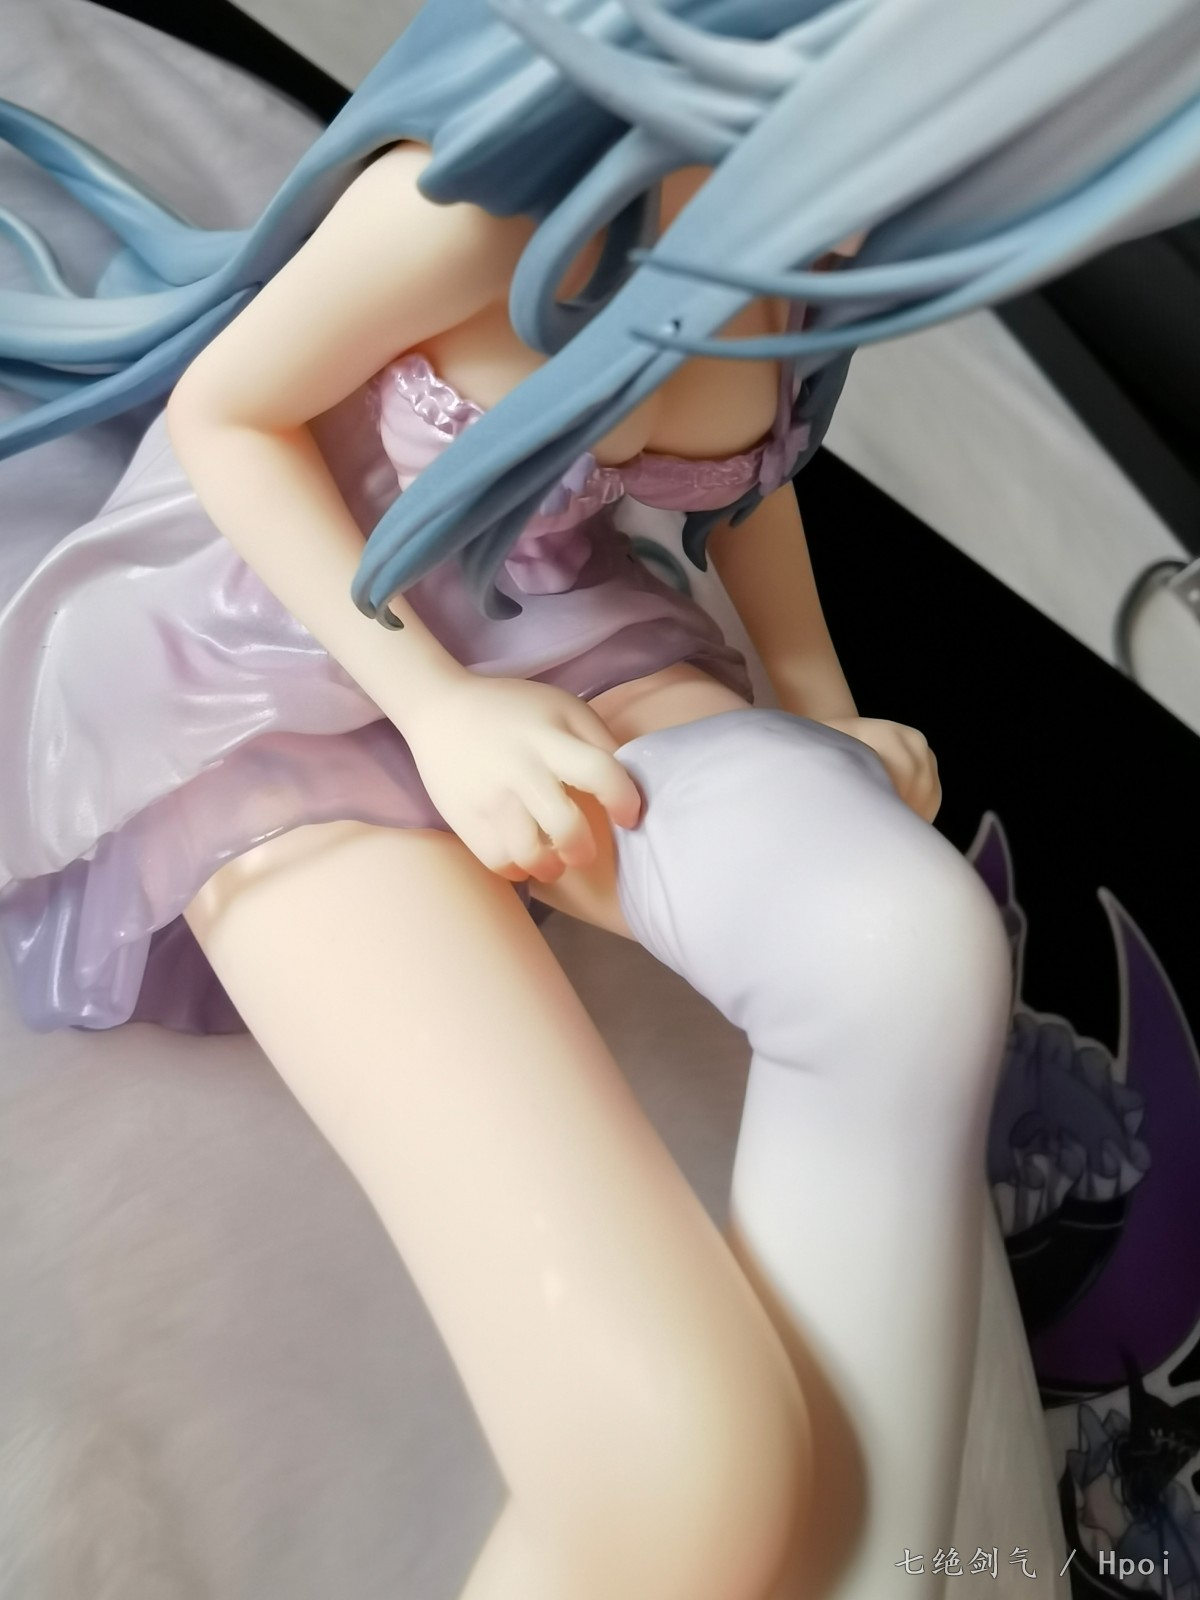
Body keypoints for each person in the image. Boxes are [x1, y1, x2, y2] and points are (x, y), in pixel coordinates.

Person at [1, 2, 1197, 1594]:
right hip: (285, 652)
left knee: (909, 942)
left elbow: (753, 485)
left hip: (556, 626)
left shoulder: (806, 243)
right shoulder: (480, 205)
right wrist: (435, 712)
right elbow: (234, 414)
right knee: (684, 1461)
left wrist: (814, 692)